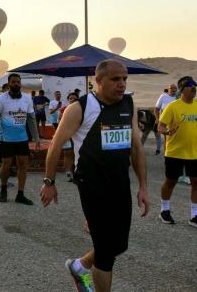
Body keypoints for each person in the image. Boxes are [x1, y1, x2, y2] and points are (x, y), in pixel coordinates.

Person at [41, 60, 149, 292]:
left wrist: (143, 186)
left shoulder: (129, 104)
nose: (121, 84)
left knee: (118, 245)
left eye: (124, 79)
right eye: (115, 79)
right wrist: (49, 182)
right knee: (106, 253)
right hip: (92, 185)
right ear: (98, 81)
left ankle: (79, 266)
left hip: (120, 182)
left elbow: (137, 147)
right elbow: (55, 146)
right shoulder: (80, 108)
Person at [0, 73, 40, 205]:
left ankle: (20, 194)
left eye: (18, 82)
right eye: (13, 82)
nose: (16, 84)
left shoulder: (27, 98)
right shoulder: (1, 99)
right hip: (6, 139)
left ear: (20, 83)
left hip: (22, 139)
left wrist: (36, 137)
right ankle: (3, 190)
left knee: (23, 165)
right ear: (9, 83)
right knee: (6, 165)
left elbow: (31, 118)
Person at [156, 76, 197, 226]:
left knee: (196, 182)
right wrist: (166, 132)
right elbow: (160, 126)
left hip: (194, 153)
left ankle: (195, 215)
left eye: (195, 85)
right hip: (175, 152)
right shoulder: (173, 106)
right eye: (190, 85)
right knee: (171, 181)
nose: (194, 88)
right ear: (182, 89)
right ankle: (164, 210)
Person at [59, 92, 79, 182]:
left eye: (74, 98)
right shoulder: (63, 109)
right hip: (66, 135)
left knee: (76, 153)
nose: (72, 100)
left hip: (77, 135)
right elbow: (59, 120)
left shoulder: (81, 109)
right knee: (67, 153)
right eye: (70, 98)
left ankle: (75, 171)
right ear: (68, 99)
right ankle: (68, 173)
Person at [154, 84, 177, 156]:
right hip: (165, 122)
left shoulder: (178, 97)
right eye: (171, 89)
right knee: (167, 138)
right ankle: (167, 155)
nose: (173, 91)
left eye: (174, 89)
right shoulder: (163, 96)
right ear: (168, 89)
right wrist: (157, 119)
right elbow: (156, 109)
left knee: (175, 138)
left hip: (175, 122)